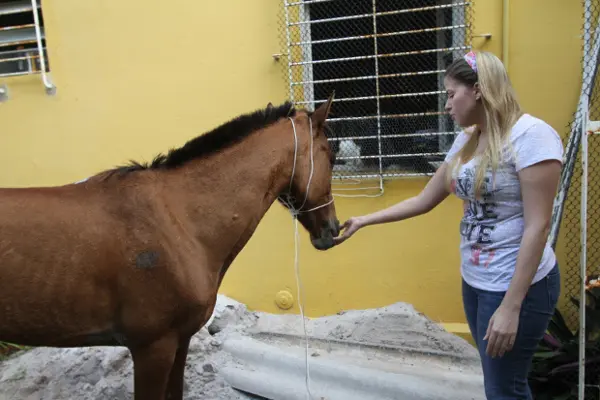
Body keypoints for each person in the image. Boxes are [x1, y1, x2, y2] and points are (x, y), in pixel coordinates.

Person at [333, 50, 563, 399]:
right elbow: (425, 199)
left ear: (479, 90)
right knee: (501, 383)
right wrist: (364, 220)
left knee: (504, 389)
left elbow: (538, 226)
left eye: (451, 94)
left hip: (517, 287)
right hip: (476, 281)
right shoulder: (469, 138)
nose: (446, 105)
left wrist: (511, 307)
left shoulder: (532, 136)